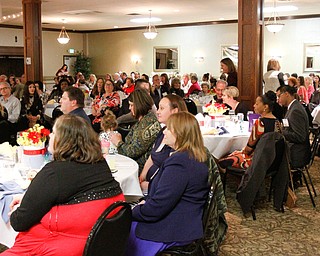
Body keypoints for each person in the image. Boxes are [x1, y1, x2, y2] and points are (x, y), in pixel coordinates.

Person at [2, 114, 124, 256]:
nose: (50, 137)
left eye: (53, 133)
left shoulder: (54, 172)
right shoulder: (100, 164)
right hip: (96, 243)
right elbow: (76, 193)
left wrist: (19, 208)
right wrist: (30, 199)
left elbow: (18, 222)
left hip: (62, 247)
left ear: (64, 140)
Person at [125, 111, 209, 256]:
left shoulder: (180, 164)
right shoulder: (191, 156)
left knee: (121, 230)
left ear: (179, 134)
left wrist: (133, 211)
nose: (165, 131)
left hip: (175, 227)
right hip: (185, 219)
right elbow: (170, 191)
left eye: (169, 128)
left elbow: (157, 208)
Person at [219, 91, 281, 169]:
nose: (254, 106)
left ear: (265, 107)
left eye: (257, 104)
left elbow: (248, 149)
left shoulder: (260, 123)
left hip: (257, 161)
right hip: (273, 160)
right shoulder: (278, 122)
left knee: (221, 160)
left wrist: (240, 152)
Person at [139, 94, 188, 192]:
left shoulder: (176, 139)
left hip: (159, 189)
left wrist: (146, 186)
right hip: (148, 183)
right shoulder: (163, 131)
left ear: (175, 111)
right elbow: (152, 156)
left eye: (162, 108)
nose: (157, 112)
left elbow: (172, 181)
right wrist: (141, 177)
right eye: (158, 108)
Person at [110, 89, 161, 173]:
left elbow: (132, 152)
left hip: (139, 169)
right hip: (133, 164)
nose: (130, 108)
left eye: (131, 105)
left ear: (139, 105)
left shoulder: (148, 123)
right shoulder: (144, 119)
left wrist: (118, 142)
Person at [276, 86, 311, 169]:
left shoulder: (296, 110)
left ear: (286, 94)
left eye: (279, 96)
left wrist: (281, 131)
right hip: (294, 148)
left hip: (297, 153)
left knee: (269, 156)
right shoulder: (292, 107)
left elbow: (300, 136)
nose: (278, 99)